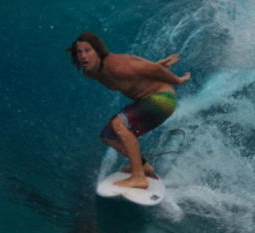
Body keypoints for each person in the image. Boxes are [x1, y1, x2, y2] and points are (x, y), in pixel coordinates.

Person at [68, 32, 190, 190]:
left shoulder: (118, 66)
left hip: (162, 99)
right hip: (149, 101)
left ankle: (139, 177)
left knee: (120, 125)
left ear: (98, 51)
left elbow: (152, 70)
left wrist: (177, 80)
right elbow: (141, 73)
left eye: (88, 50)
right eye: (79, 52)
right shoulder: (91, 70)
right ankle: (143, 166)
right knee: (108, 136)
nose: (83, 56)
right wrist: (159, 65)